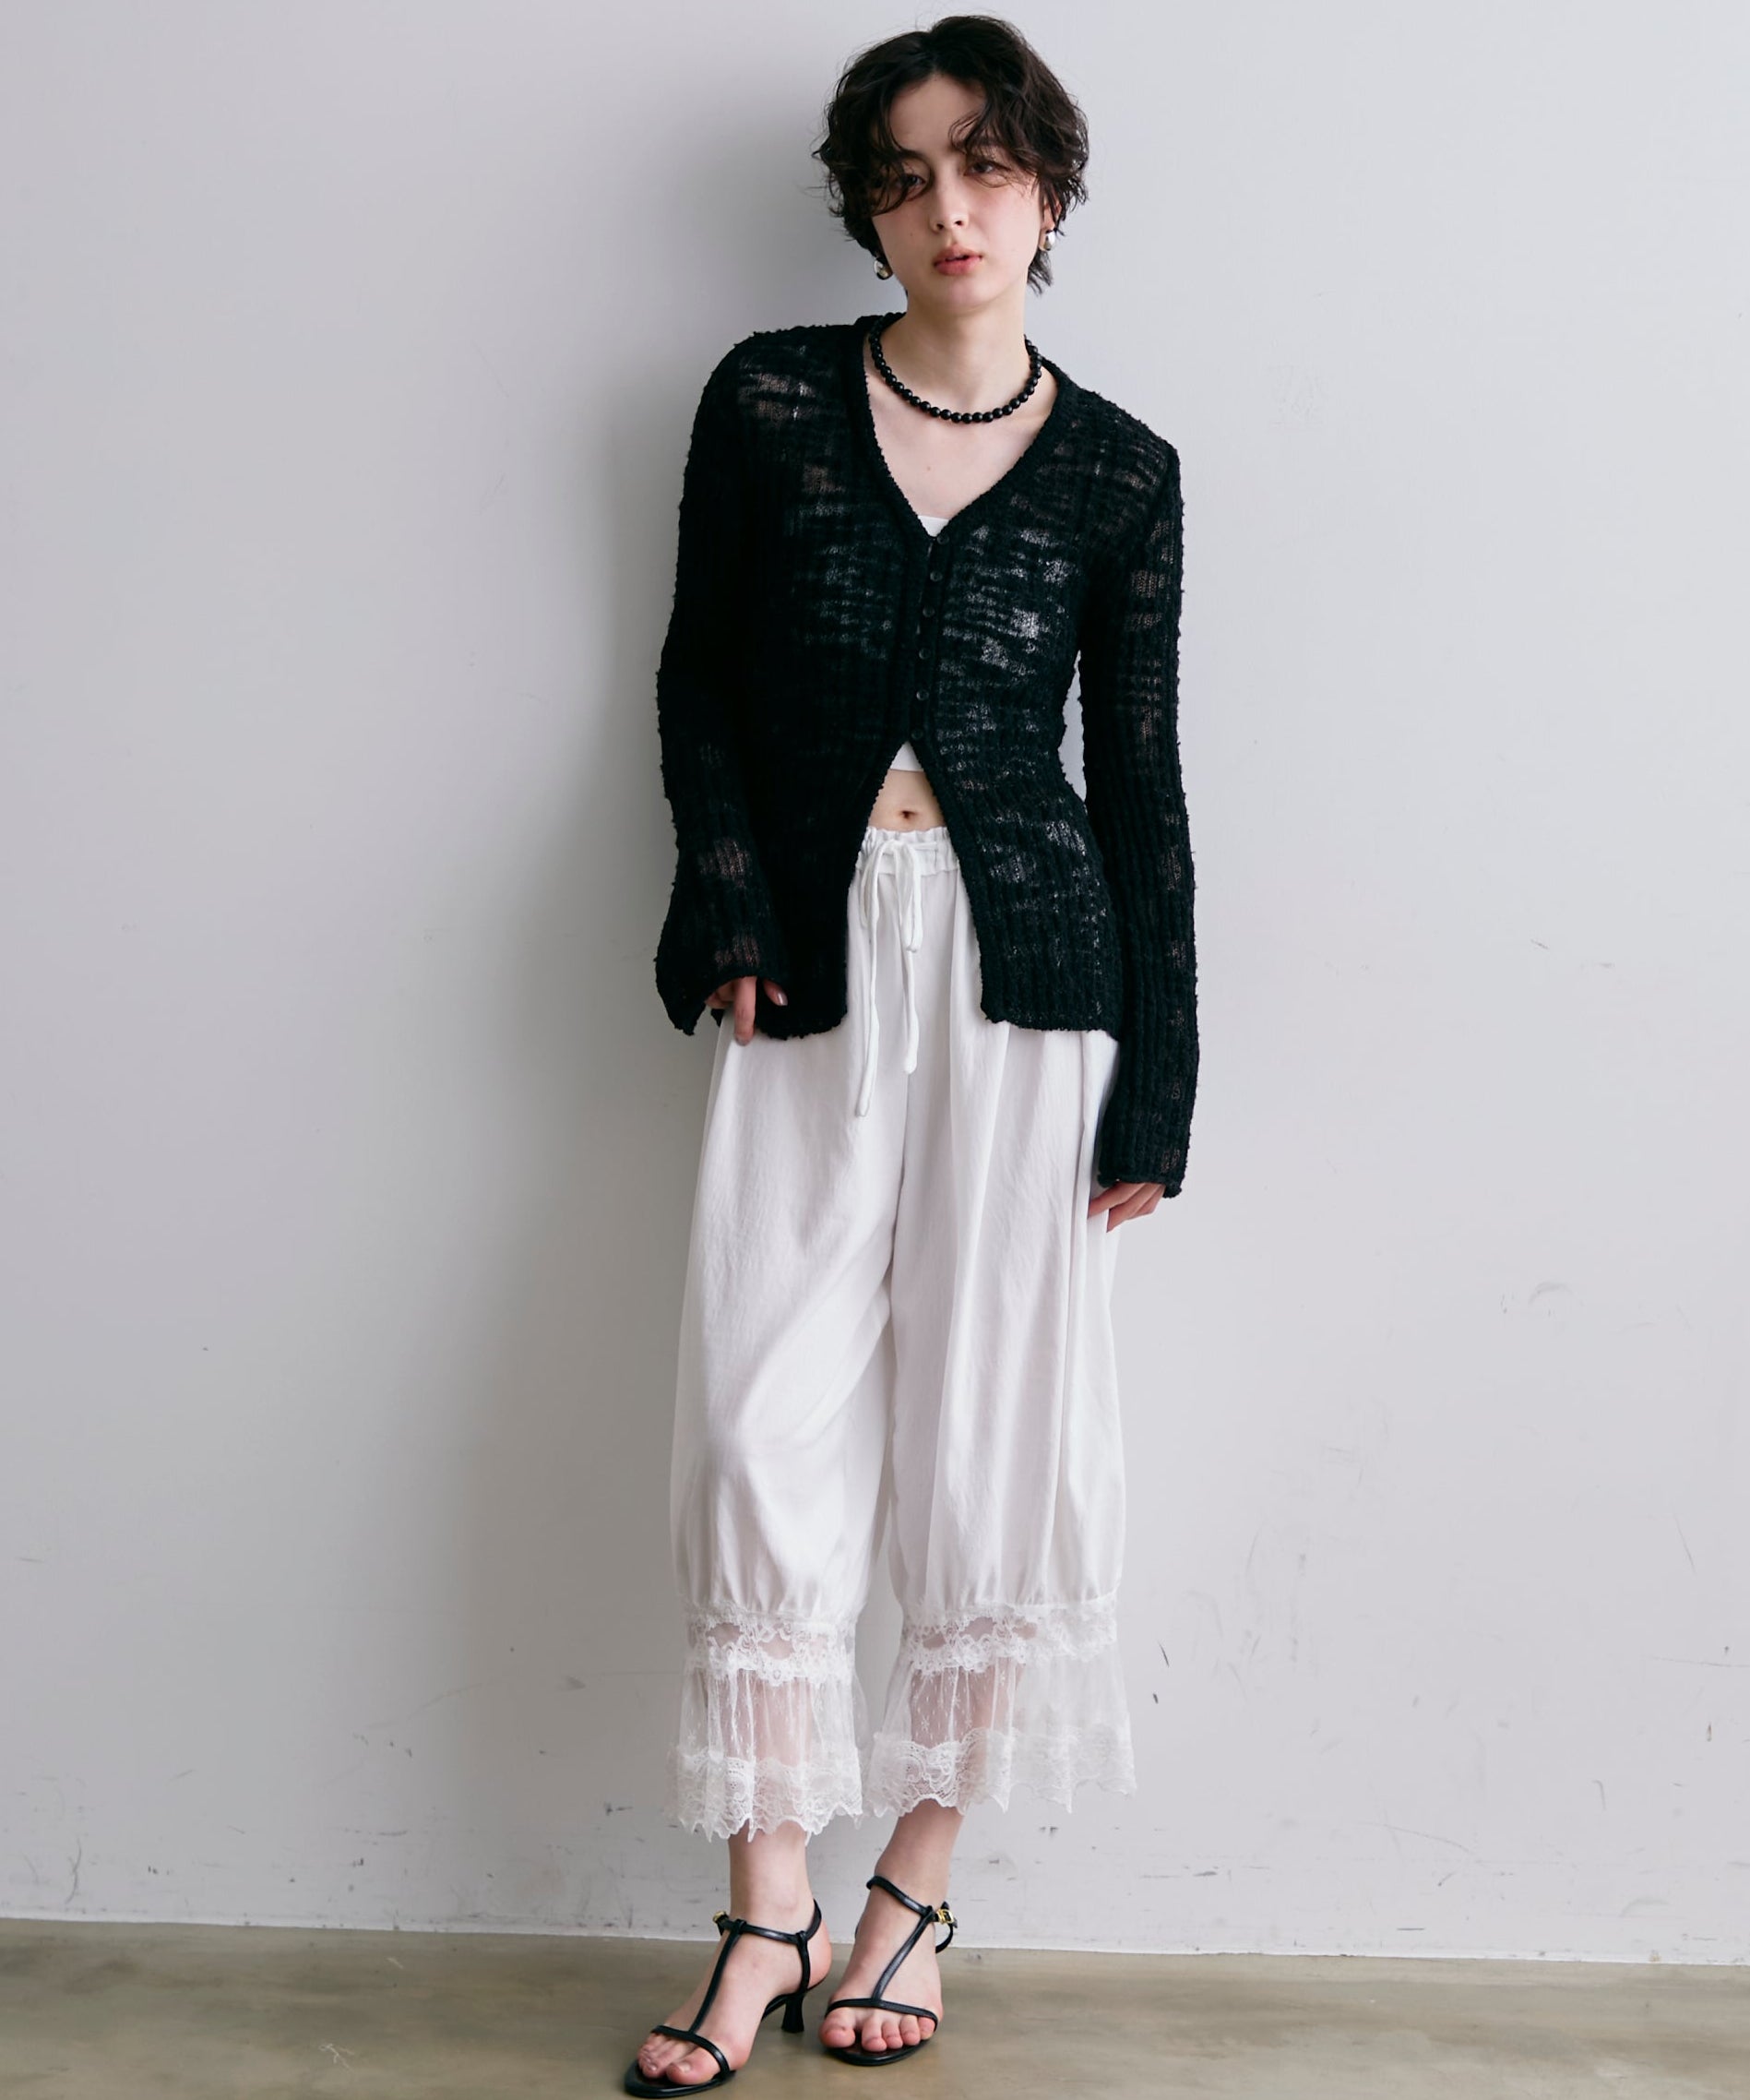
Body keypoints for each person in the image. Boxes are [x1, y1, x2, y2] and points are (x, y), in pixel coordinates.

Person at [626, 16, 1199, 2093]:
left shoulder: (1121, 469)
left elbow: (1137, 785)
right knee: (754, 1424)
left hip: (1034, 981)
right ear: (864, 205)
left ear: (1047, 190)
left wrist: (1164, 1077)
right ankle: (765, 1906)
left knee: (996, 1440)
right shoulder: (771, 398)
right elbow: (696, 680)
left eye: (983, 165)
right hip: (808, 964)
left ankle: (910, 1897)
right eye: (903, 172)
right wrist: (726, 901)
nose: (946, 208)